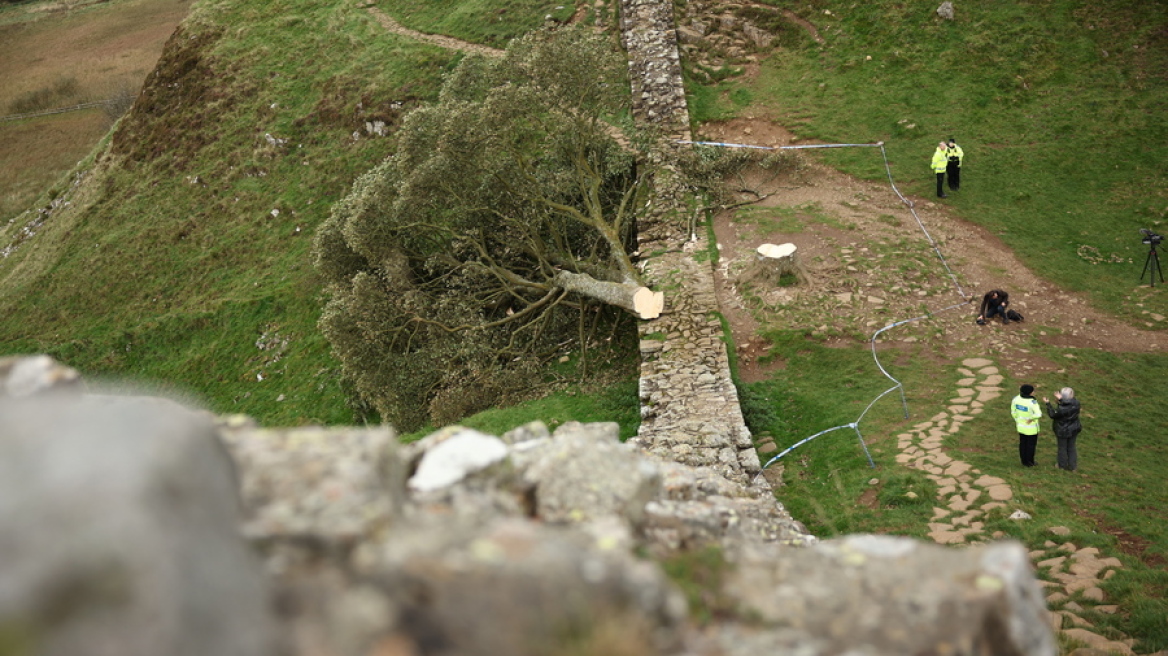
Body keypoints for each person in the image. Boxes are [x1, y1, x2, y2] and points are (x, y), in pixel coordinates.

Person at [1044, 387, 1082, 471]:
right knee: (1071, 447)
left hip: (1062, 430)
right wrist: (1061, 399)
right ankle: (1073, 466)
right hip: (1073, 428)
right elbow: (1069, 404)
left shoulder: (1061, 409)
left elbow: (1052, 415)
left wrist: (1048, 404)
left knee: (1062, 448)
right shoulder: (1076, 404)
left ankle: (1062, 465)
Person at [1011, 384, 1042, 467]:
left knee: (1022, 444)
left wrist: (1018, 420)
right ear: (1030, 393)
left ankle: (1023, 461)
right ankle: (1030, 462)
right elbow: (1038, 414)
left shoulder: (1016, 399)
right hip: (1031, 429)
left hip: (1021, 427)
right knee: (1030, 446)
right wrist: (1031, 418)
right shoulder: (1032, 402)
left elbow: (1013, 412)